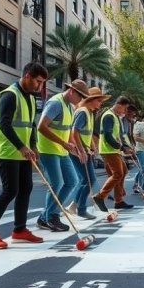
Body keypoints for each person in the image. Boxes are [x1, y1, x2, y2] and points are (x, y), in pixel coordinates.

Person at [0, 62, 47, 249]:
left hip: (22, 151)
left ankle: (19, 230)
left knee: (26, 188)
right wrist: (21, 147)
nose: (40, 87)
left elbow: (31, 125)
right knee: (10, 191)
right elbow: (4, 125)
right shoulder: (9, 95)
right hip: (6, 149)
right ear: (27, 76)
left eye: (42, 83)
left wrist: (33, 145)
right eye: (38, 82)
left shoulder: (31, 98)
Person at [36, 79, 88, 232]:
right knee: (56, 183)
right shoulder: (55, 103)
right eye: (80, 96)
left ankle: (45, 216)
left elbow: (67, 131)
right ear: (72, 91)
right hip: (48, 150)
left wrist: (76, 149)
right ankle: (51, 216)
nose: (81, 100)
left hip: (61, 151)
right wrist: (63, 143)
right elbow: (41, 127)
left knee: (72, 181)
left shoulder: (70, 107)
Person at [67, 87, 110, 220]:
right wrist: (81, 150)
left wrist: (92, 146)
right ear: (90, 100)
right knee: (89, 179)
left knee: (86, 180)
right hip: (77, 151)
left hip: (84, 151)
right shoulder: (83, 112)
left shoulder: (89, 112)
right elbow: (74, 131)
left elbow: (87, 132)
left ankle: (74, 206)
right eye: (99, 100)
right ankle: (80, 209)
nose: (100, 103)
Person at [91, 96, 135, 210]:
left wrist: (125, 146)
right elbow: (107, 135)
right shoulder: (109, 116)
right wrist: (121, 147)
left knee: (123, 172)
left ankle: (118, 201)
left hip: (113, 150)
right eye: (125, 109)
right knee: (117, 174)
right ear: (119, 105)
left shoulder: (115, 116)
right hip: (108, 150)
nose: (125, 111)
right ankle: (100, 196)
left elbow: (118, 136)